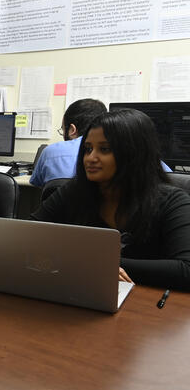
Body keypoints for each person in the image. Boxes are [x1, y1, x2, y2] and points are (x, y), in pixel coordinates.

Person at [32, 109, 190, 290]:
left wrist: (99, 264)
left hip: (149, 304)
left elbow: (186, 270)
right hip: (86, 293)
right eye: (88, 149)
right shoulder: (74, 192)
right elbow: (28, 238)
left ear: (133, 153)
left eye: (104, 149)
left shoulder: (172, 202)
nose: (90, 158)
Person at [30, 98, 106, 187]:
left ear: (72, 130)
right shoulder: (111, 153)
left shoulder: (49, 151)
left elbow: (36, 183)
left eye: (63, 129)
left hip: (57, 200)